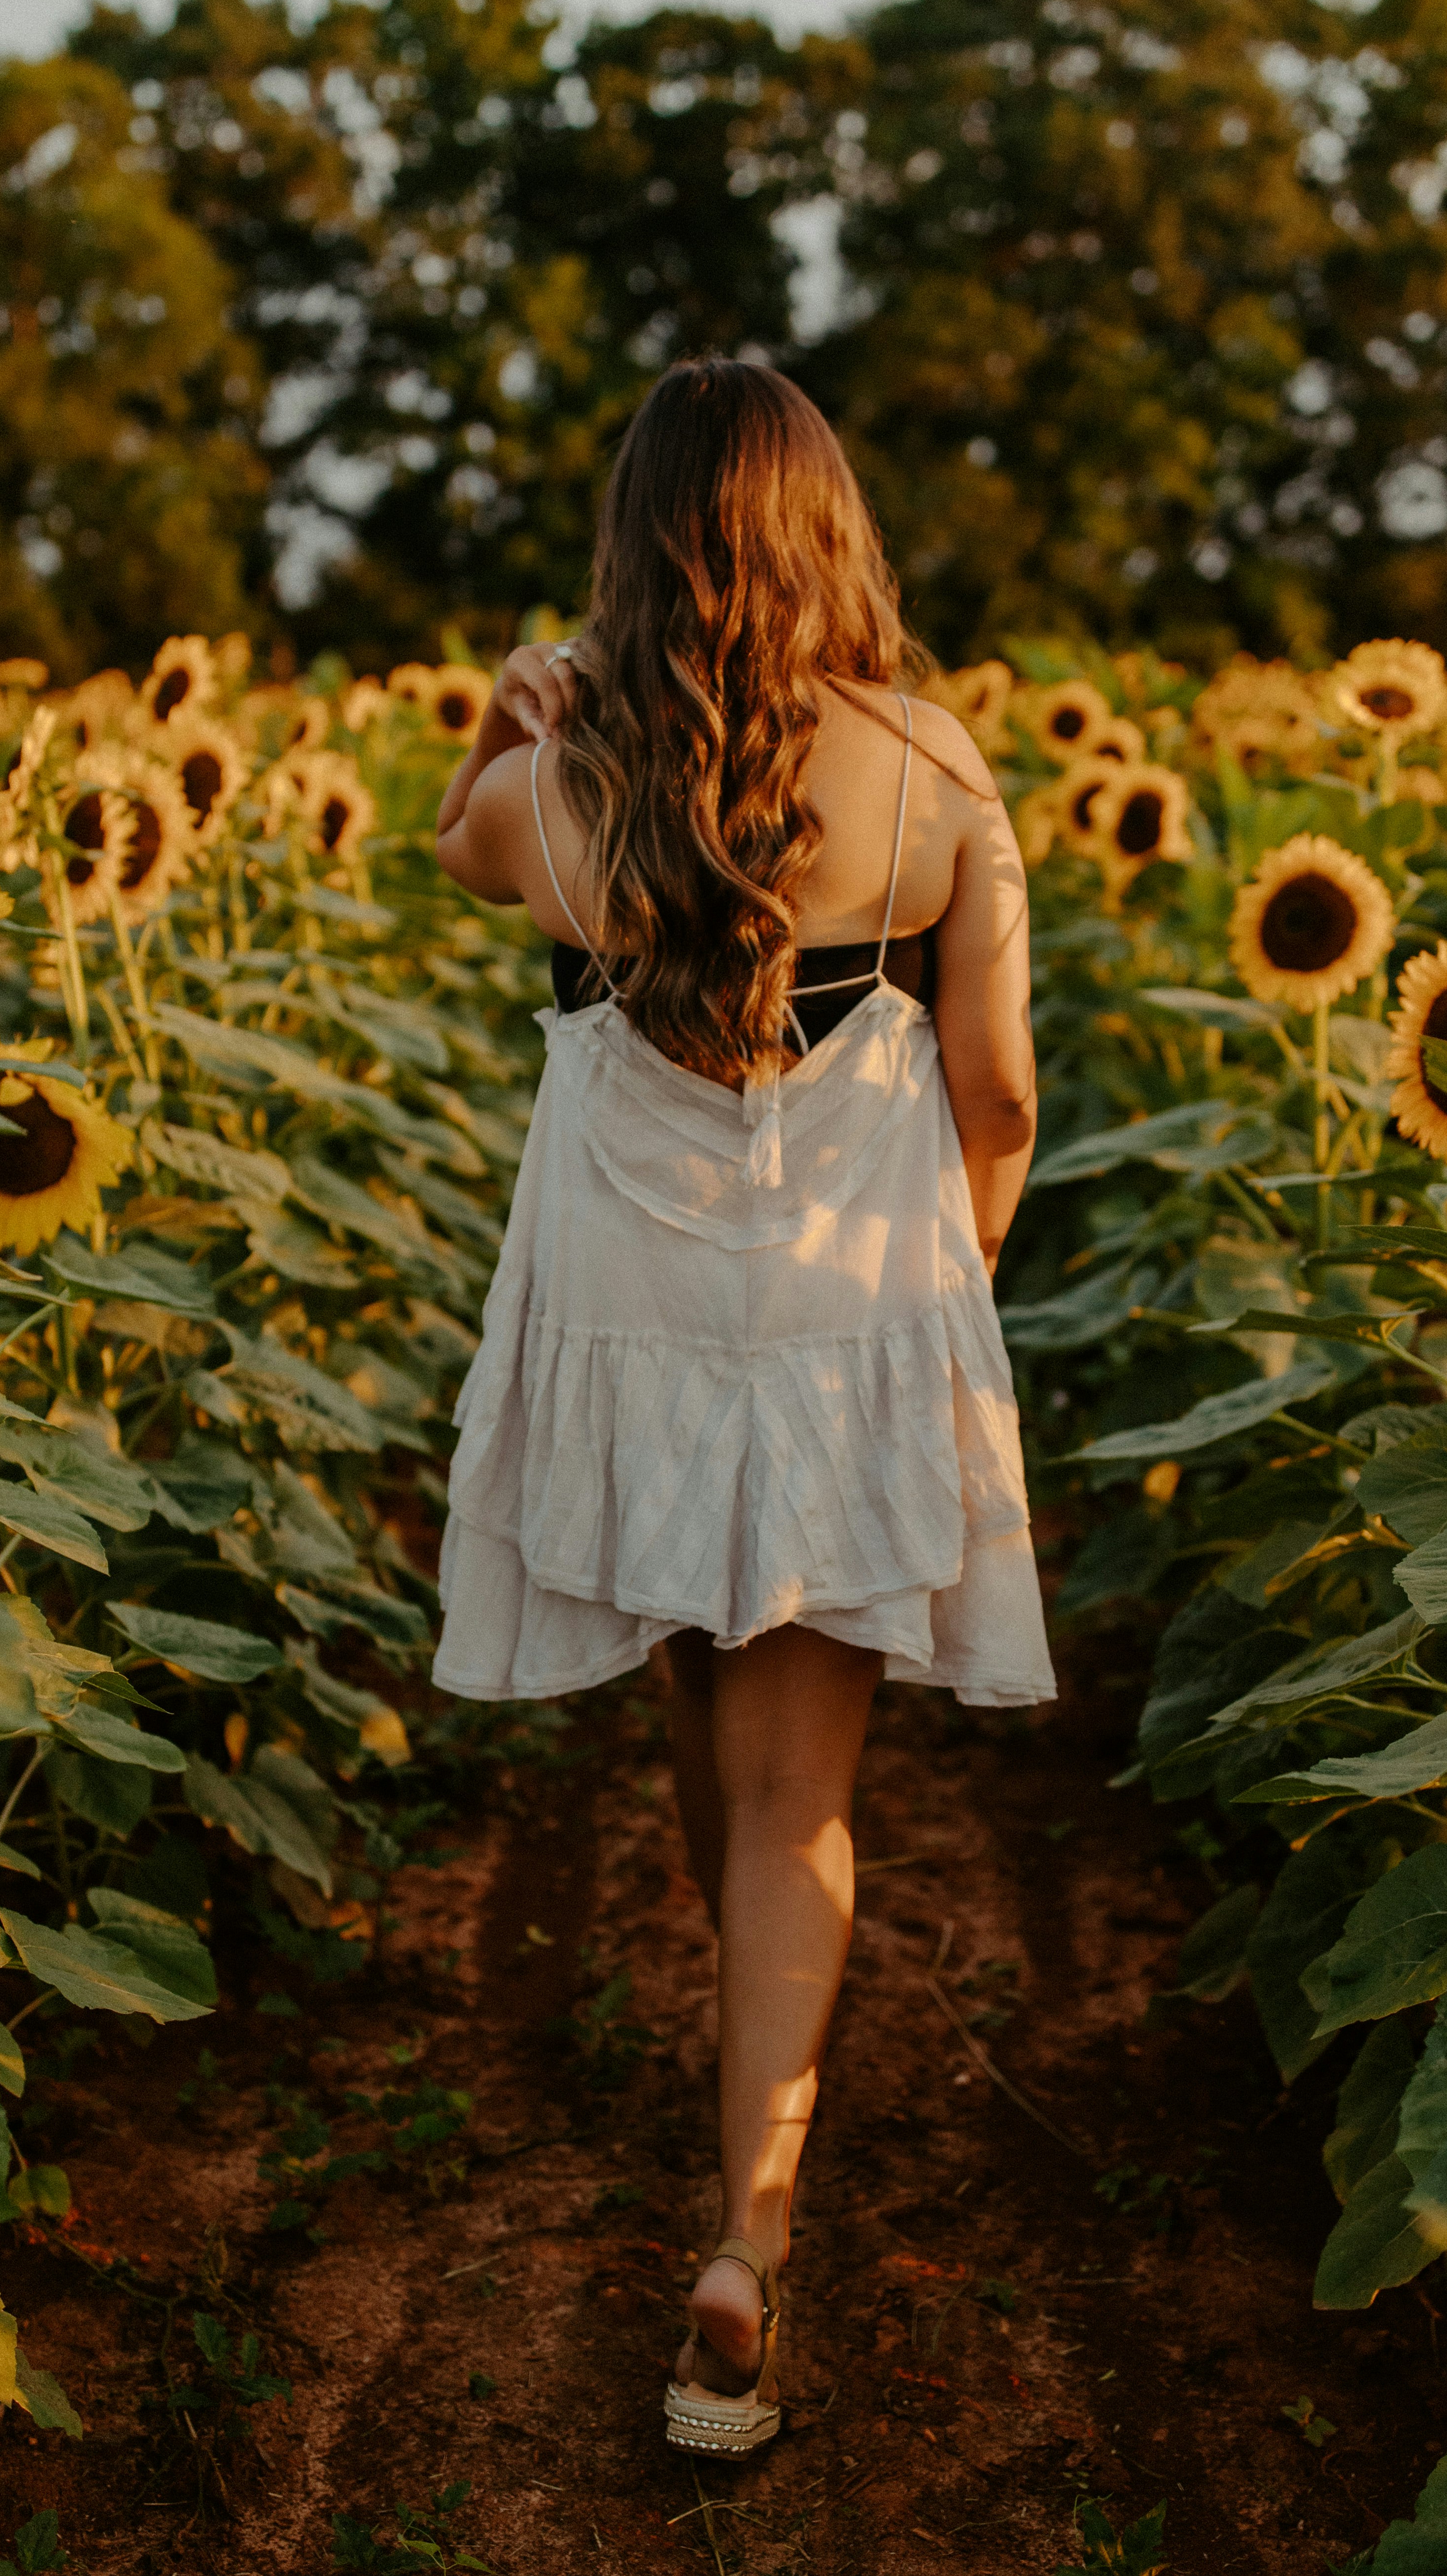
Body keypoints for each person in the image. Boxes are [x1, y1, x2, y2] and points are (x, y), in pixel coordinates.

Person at [431, 359, 1052, 2455]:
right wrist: (943, 1274)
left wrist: (510, 712)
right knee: (805, 1788)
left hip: (634, 1291)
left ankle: (737, 2072)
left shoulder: (568, 793)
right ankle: (752, 2232)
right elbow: (1001, 1094)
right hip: (849, 1291)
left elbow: (455, 851)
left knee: (698, 1663)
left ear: (630, 548)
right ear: (829, 528)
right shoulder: (938, 768)